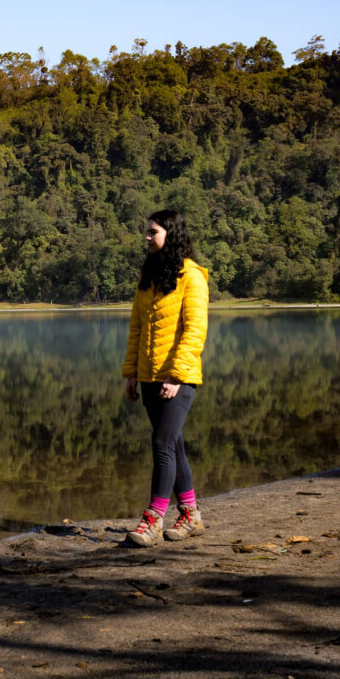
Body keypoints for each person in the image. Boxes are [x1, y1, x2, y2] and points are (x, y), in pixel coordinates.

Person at [122, 209, 209, 546]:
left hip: (179, 378)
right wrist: (131, 372)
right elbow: (137, 329)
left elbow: (195, 330)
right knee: (172, 443)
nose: (146, 237)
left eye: (153, 232)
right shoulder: (148, 278)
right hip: (148, 376)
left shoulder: (192, 277)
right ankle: (190, 515)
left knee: (161, 443)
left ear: (170, 235)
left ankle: (153, 518)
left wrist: (176, 374)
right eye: (147, 231)